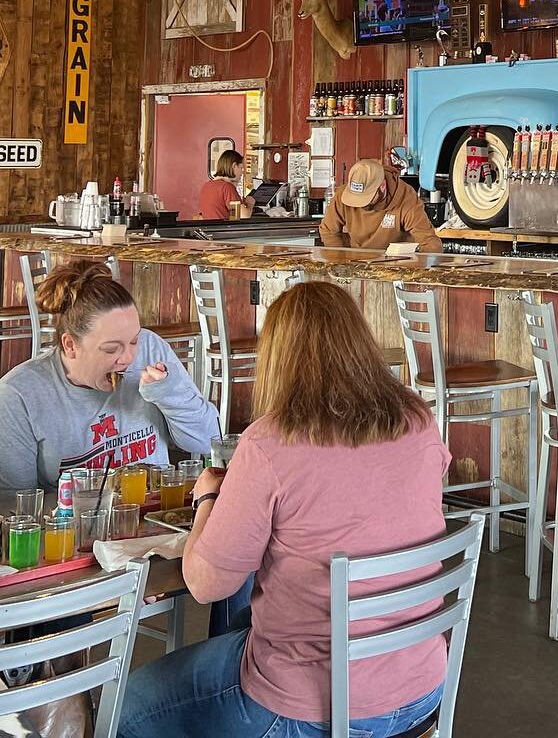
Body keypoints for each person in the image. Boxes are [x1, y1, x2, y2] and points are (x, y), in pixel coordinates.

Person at [118, 283, 450, 738]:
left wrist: (208, 500)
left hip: (312, 706)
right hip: (423, 686)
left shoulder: (270, 442)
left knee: (128, 703)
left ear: (276, 357)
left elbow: (206, 584)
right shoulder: (418, 419)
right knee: (245, 624)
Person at [0, 261, 219, 491]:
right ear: (70, 345)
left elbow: (209, 440)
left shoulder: (150, 350)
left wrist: (169, 394)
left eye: (133, 341)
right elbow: (12, 505)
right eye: (111, 349)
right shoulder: (18, 396)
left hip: (160, 517)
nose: (129, 358)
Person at [317, 158, 442, 255]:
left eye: (367, 197)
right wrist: (339, 260)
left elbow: (428, 240)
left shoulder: (406, 197)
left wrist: (426, 268)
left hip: (398, 264)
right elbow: (328, 231)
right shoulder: (342, 196)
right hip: (357, 261)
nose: (360, 204)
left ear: (382, 186)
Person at [198, 150, 254, 222]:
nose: (242, 172)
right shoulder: (227, 187)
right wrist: (250, 204)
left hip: (210, 230)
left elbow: (233, 213)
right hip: (224, 230)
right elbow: (244, 216)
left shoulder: (207, 185)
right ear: (234, 166)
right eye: (241, 168)